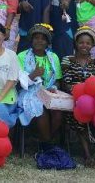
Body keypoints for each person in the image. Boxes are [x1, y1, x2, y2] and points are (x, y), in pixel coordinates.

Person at [61, 26, 95, 168]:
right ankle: (88, 156)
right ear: (76, 43)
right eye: (81, 42)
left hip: (94, 99)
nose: (84, 45)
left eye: (88, 43)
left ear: (92, 45)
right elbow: (66, 83)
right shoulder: (67, 60)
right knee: (79, 117)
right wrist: (80, 95)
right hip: (75, 98)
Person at [17, 23, 63, 152]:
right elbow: (18, 83)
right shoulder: (22, 56)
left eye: (43, 39)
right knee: (41, 111)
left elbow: (58, 80)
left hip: (49, 91)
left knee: (58, 114)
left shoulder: (53, 57)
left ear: (47, 42)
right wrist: (33, 75)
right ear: (31, 40)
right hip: (29, 92)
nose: (39, 41)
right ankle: (48, 144)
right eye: (36, 38)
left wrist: (54, 88)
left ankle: (44, 140)